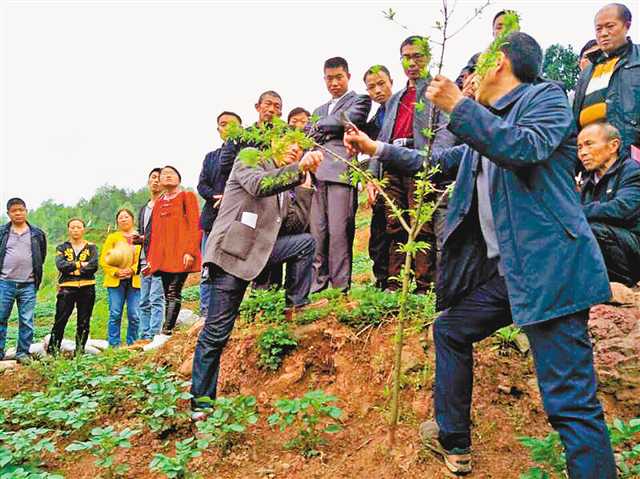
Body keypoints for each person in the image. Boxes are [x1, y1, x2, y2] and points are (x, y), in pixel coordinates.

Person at [344, 32, 617, 479]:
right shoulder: (487, 126)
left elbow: (524, 148)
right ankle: (455, 440)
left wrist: (459, 106)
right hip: (513, 275)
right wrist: (378, 149)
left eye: (473, 74)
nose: (467, 83)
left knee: (570, 402)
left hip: (551, 272)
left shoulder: (543, 98)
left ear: (500, 64)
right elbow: (440, 160)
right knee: (451, 327)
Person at [190, 142, 323, 416]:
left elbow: (291, 226)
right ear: (273, 142)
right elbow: (258, 186)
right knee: (216, 333)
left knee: (304, 243)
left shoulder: (286, 182)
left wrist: (305, 186)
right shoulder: (250, 160)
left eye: (299, 149)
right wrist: (297, 169)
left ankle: (295, 307)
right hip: (232, 254)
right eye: (289, 145)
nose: (293, 151)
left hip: (258, 254)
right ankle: (201, 405)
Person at [369, 37, 455, 293]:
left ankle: (424, 284)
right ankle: (397, 284)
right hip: (393, 163)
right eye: (406, 57)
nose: (411, 62)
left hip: (421, 163)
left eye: (417, 56)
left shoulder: (437, 90)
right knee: (394, 224)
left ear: (427, 57)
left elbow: (445, 131)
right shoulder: (395, 99)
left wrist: (432, 163)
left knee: (422, 225)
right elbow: (382, 138)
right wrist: (374, 176)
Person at [307, 56, 371, 293]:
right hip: (316, 175)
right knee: (318, 233)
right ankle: (317, 285)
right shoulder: (318, 110)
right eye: (329, 78)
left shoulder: (360, 100)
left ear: (348, 77)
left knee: (339, 232)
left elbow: (348, 121)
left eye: (338, 77)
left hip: (342, 173)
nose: (334, 83)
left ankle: (340, 287)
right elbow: (308, 135)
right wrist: (327, 126)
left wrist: (321, 127)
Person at [144, 165, 201, 351]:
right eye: (163, 175)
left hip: (181, 254)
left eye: (171, 174)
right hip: (164, 256)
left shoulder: (187, 197)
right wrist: (151, 259)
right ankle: (164, 331)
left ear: (179, 178)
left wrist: (190, 251)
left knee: (173, 291)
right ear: (159, 182)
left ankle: (166, 332)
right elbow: (155, 234)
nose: (167, 177)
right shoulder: (160, 202)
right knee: (167, 291)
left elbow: (195, 225)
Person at [573, 3, 639, 158]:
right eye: (598, 28)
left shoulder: (637, 60)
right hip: (590, 159)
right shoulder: (588, 70)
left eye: (610, 26)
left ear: (627, 26)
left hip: (628, 158)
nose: (603, 33)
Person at [578, 122, 640, 286]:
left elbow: (622, 209)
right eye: (579, 148)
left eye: (589, 144)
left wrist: (576, 212)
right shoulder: (587, 180)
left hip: (632, 243)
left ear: (613, 146)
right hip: (611, 241)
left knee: (592, 230)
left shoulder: (632, 170)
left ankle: (624, 284)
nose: (583, 153)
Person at [197, 111, 242, 318]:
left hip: (236, 219)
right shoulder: (210, 157)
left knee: (233, 266)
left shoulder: (246, 154)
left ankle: (231, 310)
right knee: (208, 268)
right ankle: (206, 311)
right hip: (212, 217)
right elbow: (202, 184)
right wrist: (216, 196)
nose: (227, 128)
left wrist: (230, 198)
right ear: (218, 130)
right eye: (223, 124)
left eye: (232, 125)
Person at [0, 198, 47, 363]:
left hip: (28, 284)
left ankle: (22, 353)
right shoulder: (2, 232)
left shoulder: (36, 233)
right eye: (14, 211)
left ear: (26, 211)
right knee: (1, 317)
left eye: (21, 209)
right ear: (8, 214)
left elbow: (41, 256)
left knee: (26, 320)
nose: (18, 213)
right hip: (4, 283)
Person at [47, 218, 98, 355]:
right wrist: (80, 265)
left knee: (84, 321)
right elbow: (61, 265)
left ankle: (80, 351)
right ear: (68, 229)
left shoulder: (91, 247)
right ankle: (53, 350)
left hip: (87, 287)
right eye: (72, 227)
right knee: (60, 319)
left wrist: (74, 270)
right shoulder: (62, 247)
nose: (75, 230)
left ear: (83, 229)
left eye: (78, 227)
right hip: (67, 287)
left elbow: (93, 265)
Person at [363, 64, 393, 289]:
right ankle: (382, 280)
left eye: (381, 83)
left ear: (391, 81)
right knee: (379, 234)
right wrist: (371, 178)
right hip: (380, 178)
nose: (377, 90)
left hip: (403, 177)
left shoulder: (404, 107)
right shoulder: (375, 120)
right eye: (371, 87)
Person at [100, 208, 142, 347]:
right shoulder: (113, 237)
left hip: (134, 280)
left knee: (134, 314)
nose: (123, 219)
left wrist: (132, 269)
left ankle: (132, 344)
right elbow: (104, 259)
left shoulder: (139, 237)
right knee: (115, 313)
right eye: (120, 217)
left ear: (132, 219)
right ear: (117, 221)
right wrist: (115, 271)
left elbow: (144, 257)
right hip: (115, 281)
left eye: (126, 217)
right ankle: (114, 345)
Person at [137, 168, 165, 340]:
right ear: (148, 182)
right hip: (144, 258)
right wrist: (139, 239)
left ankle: (155, 334)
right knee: (144, 300)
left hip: (160, 259)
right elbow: (145, 233)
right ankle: (144, 335)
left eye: (159, 178)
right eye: (153, 178)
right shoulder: (143, 208)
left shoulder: (166, 205)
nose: (156, 181)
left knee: (156, 297)